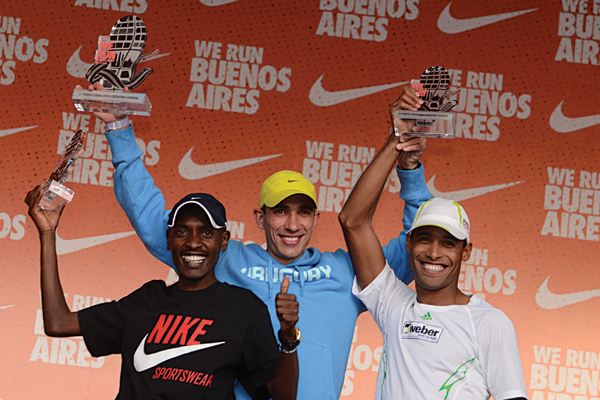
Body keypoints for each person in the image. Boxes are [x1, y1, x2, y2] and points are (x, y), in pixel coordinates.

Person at [76, 82, 433, 399]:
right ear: (260, 218)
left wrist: (410, 170)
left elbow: (418, 247)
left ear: (315, 219)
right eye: (280, 211)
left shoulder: (345, 271)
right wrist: (118, 128)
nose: (292, 224)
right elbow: (154, 221)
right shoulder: (227, 260)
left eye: (303, 212)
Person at [338, 90, 528, 399]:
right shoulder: (394, 305)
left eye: (448, 243)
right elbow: (353, 220)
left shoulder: (489, 322)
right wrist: (396, 141)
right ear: (409, 242)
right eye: (425, 238)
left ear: (466, 251)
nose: (434, 253)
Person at [25, 186, 300, 400]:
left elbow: (282, 396)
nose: (194, 243)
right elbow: (58, 323)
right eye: (182, 232)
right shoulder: (147, 300)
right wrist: (47, 233)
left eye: (206, 233)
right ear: (169, 239)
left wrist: (288, 339)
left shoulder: (243, 309)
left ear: (224, 241)